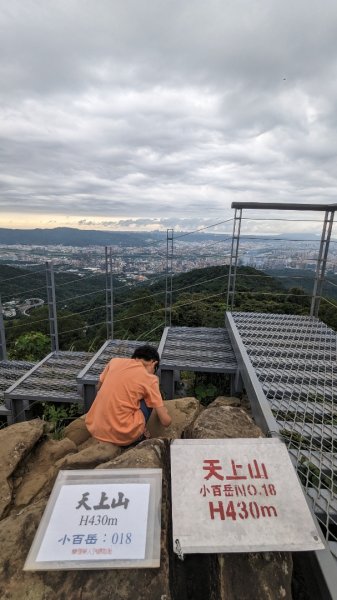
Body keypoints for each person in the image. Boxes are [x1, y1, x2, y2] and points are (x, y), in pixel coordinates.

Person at [85, 344, 172, 446]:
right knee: (147, 399)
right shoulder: (150, 379)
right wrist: (164, 410)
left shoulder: (114, 362)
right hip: (121, 435)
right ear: (154, 363)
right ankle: (138, 435)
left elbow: (98, 387)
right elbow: (166, 422)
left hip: (95, 428)